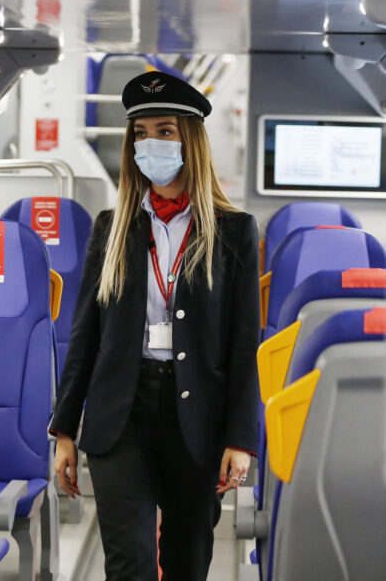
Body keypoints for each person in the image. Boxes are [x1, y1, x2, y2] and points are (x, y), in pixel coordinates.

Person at [50, 70, 260, 581]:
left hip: (200, 419)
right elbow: (86, 335)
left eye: (164, 131)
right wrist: (63, 431)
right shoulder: (112, 227)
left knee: (188, 562)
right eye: (141, 134)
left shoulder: (233, 232)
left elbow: (243, 343)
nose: (150, 144)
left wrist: (241, 437)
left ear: (190, 140)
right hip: (121, 412)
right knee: (131, 562)